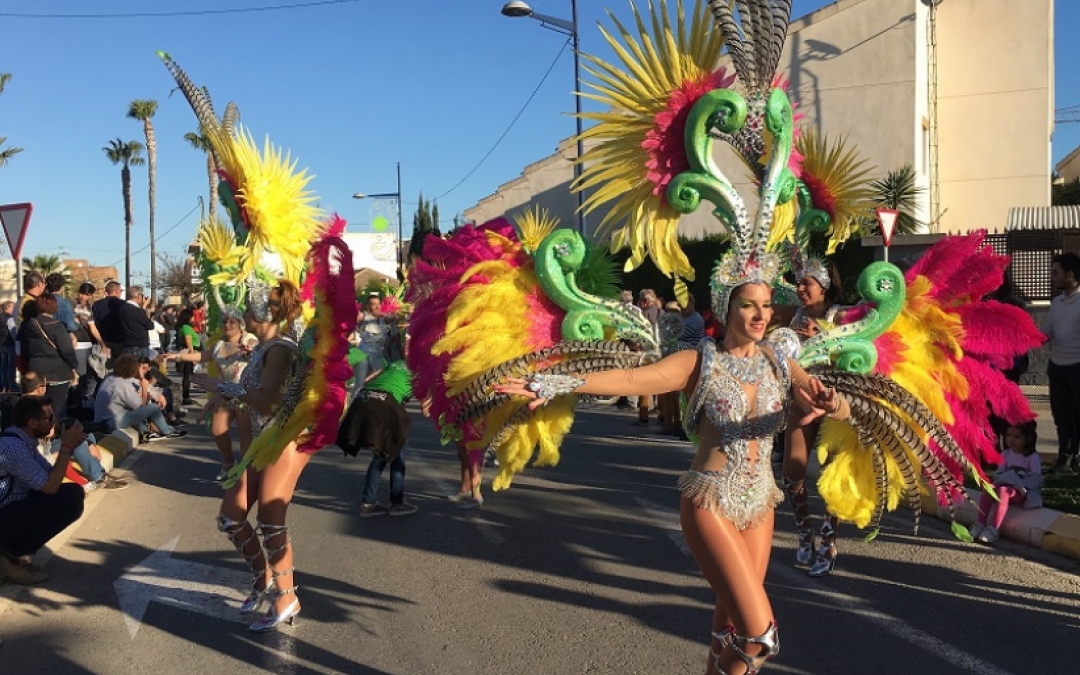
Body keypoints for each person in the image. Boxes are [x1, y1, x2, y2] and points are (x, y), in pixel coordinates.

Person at [498, 280, 848, 675]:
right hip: (710, 499)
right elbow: (632, 381)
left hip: (760, 504)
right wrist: (553, 381)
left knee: (727, 634)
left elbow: (838, 406)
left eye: (766, 305)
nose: (760, 315)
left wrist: (833, 403)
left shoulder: (779, 361)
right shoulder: (699, 361)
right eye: (748, 305)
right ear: (725, 308)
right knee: (759, 636)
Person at [206, 280, 312, 631]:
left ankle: (286, 597)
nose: (244, 315)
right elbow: (256, 398)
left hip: (282, 441)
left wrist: (222, 386)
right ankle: (262, 576)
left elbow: (266, 399)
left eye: (250, 309)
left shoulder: (279, 349)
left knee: (270, 518)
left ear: (263, 314)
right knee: (231, 517)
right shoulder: (265, 347)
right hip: (259, 444)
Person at [781, 259, 848, 576]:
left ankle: (829, 542)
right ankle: (805, 534)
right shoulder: (794, 315)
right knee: (791, 472)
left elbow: (860, 352)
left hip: (833, 404)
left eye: (806, 283)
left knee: (831, 478)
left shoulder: (841, 316)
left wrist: (824, 338)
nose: (800, 288)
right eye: (798, 283)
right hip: (801, 402)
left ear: (824, 286)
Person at [0, 395, 87, 585]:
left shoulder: (24, 441)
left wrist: (71, 446)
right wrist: (65, 447)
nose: (54, 422)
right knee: (69, 500)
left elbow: (50, 475)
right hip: (4, 516)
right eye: (49, 418)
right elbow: (50, 487)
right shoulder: (13, 447)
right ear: (32, 423)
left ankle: (10, 553)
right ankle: (9, 557)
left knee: (72, 493)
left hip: (11, 510)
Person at [168, 311, 256, 480]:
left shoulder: (248, 340)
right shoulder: (218, 345)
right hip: (224, 393)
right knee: (217, 430)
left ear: (240, 325)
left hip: (244, 394)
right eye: (225, 322)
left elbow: (258, 351)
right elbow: (202, 356)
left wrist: (251, 351)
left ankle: (246, 470)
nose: (227, 325)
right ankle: (228, 463)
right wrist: (177, 356)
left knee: (245, 434)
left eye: (232, 322)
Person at [20, 373, 128, 493]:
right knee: (77, 442)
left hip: (47, 444)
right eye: (46, 386)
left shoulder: (27, 404)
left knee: (88, 436)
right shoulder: (30, 408)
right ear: (40, 388)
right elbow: (46, 434)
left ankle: (94, 468)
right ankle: (99, 477)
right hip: (41, 451)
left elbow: (57, 427)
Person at [338, 360, 419, 517]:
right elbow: (427, 408)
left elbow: (369, 378)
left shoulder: (397, 362)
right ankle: (396, 503)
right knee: (395, 452)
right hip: (385, 403)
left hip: (363, 397)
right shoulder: (424, 372)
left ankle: (370, 503)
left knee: (382, 452)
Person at [969, 420, 1042, 545]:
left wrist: (1016, 482)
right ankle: (980, 523)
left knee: (1003, 491)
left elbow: (1035, 480)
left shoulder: (1032, 457)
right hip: (1004, 485)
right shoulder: (1005, 454)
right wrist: (1002, 480)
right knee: (989, 488)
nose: (1011, 440)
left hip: (1020, 491)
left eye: (1017, 437)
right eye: (1009, 435)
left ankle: (993, 529)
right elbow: (1000, 474)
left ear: (1028, 439)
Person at [1041, 252, 1080, 474]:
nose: (1052, 277)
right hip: (1057, 366)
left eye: (1056, 272)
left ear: (1071, 275)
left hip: (1077, 366)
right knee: (1061, 415)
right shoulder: (1057, 302)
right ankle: (1064, 458)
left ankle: (1077, 458)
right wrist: (1029, 337)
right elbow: (1048, 330)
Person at [93, 354, 187, 441]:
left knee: (132, 410)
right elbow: (140, 406)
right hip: (112, 422)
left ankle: (149, 431)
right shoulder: (123, 385)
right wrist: (144, 388)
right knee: (153, 408)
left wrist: (157, 394)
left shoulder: (111, 377)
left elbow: (136, 383)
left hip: (102, 420)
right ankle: (167, 432)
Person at [17, 296, 78, 421]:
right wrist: (74, 366)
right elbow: (67, 351)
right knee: (55, 411)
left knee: (35, 411)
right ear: (55, 308)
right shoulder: (56, 326)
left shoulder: (28, 325)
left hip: (35, 372)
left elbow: (24, 350)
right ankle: (52, 431)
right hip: (57, 374)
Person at [115, 286, 154, 359]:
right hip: (139, 345)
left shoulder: (121, 309)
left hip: (126, 343)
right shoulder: (137, 311)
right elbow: (150, 325)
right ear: (139, 296)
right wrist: (145, 307)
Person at [89, 281, 124, 356]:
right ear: (116, 291)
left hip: (101, 341)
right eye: (120, 290)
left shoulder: (97, 304)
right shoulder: (123, 304)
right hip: (119, 341)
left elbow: (93, 323)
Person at [175, 307, 200, 405]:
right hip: (189, 353)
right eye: (192, 316)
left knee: (187, 376)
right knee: (187, 376)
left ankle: (186, 396)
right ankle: (186, 397)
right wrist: (193, 356)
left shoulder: (185, 327)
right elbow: (189, 343)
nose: (193, 318)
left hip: (189, 352)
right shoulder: (186, 327)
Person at [0, 300, 17, 393]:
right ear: (8, 307)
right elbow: (13, 333)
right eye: (13, 307)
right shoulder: (10, 319)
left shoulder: (1, 317)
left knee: (3, 367)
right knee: (10, 367)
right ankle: (12, 386)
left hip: (2, 345)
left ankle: (4, 386)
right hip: (10, 344)